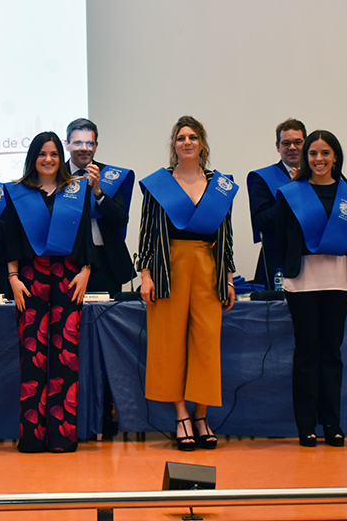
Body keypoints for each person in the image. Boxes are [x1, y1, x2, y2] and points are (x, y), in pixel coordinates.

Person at [138, 115, 236, 451]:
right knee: (169, 342)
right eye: (181, 138)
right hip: (168, 269)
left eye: (193, 137)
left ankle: (201, 415)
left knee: (205, 344)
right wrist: (145, 275)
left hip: (208, 269)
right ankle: (181, 415)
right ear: (174, 145)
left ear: (202, 144)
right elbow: (147, 232)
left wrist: (229, 278)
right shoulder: (159, 184)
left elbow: (226, 236)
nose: (187, 142)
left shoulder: (220, 185)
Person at [0, 131, 93, 453]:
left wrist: (86, 271)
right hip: (30, 277)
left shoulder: (76, 191)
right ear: (33, 158)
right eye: (42, 154)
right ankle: (32, 437)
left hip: (69, 276)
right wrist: (12, 277)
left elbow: (85, 234)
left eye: (54, 154)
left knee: (66, 356)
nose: (49, 159)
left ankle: (63, 436)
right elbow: (10, 237)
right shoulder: (18, 193)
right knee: (32, 356)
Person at [275, 130, 347, 447]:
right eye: (313, 153)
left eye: (325, 153)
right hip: (302, 281)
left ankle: (332, 424)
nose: (319, 159)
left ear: (335, 156)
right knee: (306, 353)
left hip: (339, 280)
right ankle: (306, 426)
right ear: (305, 157)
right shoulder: (291, 193)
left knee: (331, 353)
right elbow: (279, 236)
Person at [65, 118, 136, 295]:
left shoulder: (110, 175)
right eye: (78, 143)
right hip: (67, 259)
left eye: (89, 143)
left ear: (96, 146)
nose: (84, 148)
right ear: (67, 144)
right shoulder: (56, 175)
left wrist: (98, 193)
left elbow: (121, 219)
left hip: (105, 261)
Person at [247, 118, 306, 289]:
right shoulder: (262, 178)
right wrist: (291, 192)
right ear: (278, 147)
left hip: (312, 261)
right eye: (286, 143)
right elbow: (261, 222)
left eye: (298, 142)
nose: (292, 147)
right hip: (277, 263)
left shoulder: (317, 178)